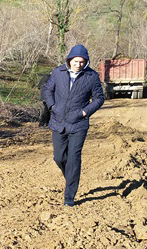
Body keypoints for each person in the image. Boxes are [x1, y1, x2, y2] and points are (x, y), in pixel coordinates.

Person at [43, 44, 104, 207]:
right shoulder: (58, 73)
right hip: (58, 122)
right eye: (76, 61)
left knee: (73, 158)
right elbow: (48, 90)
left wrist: (84, 112)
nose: (79, 65)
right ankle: (71, 177)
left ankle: (69, 197)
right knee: (59, 157)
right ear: (69, 60)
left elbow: (99, 98)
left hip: (78, 124)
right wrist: (52, 107)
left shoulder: (91, 77)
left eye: (82, 62)